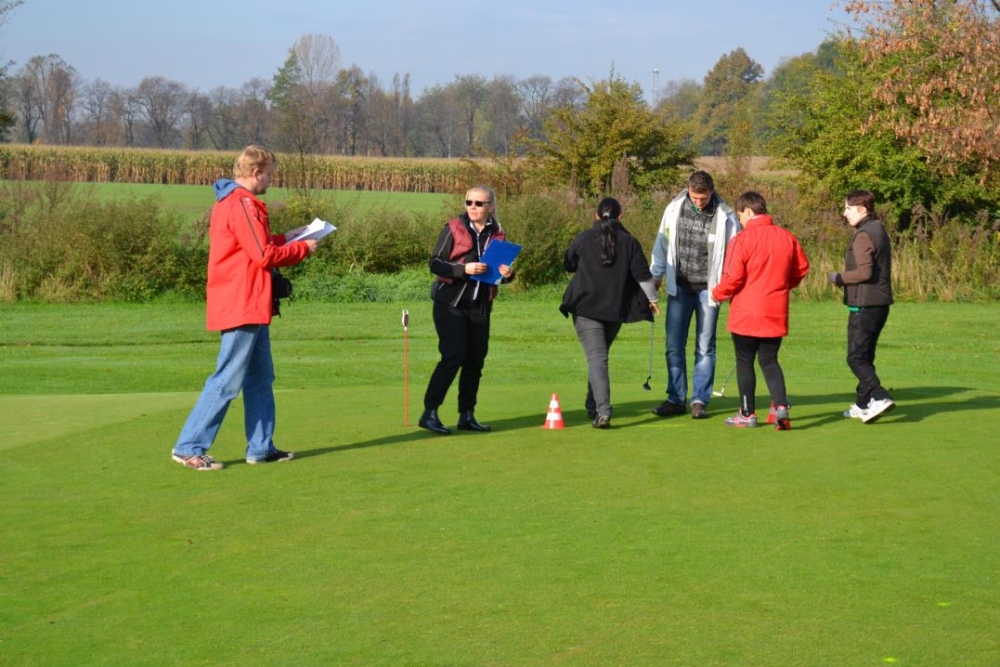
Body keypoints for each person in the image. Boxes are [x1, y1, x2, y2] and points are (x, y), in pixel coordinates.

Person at [171, 145, 319, 471]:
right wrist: (302, 249)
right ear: (256, 172)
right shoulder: (242, 203)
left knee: (261, 377)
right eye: (270, 174)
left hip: (251, 301)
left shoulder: (236, 202)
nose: (272, 180)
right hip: (243, 302)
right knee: (226, 379)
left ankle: (261, 447)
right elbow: (263, 255)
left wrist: (288, 237)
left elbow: (255, 245)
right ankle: (188, 447)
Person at [419, 185, 514, 435]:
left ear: (490, 207)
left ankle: (467, 414)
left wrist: (508, 275)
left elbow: (498, 272)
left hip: (480, 306)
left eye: (479, 203)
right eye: (469, 202)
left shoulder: (499, 234)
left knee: (475, 360)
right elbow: (435, 263)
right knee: (453, 355)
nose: (472, 207)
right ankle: (429, 412)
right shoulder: (453, 228)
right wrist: (464, 269)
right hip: (450, 304)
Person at [711, 191, 810, 429]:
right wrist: (783, 285)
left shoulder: (742, 239)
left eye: (740, 216)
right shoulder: (787, 237)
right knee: (769, 360)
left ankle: (747, 413)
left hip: (746, 312)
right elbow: (801, 269)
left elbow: (733, 277)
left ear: (748, 211)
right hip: (775, 311)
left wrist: (717, 294)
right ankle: (781, 406)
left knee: (745, 361)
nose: (740, 221)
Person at [560, 197, 660, 428]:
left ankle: (602, 411)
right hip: (615, 309)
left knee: (598, 358)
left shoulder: (583, 238)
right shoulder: (630, 242)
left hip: (585, 308)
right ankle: (595, 406)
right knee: (599, 357)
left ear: (596, 215)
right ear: (620, 216)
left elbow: (568, 264)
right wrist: (653, 300)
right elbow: (643, 276)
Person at [650, 170, 741, 420]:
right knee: (673, 345)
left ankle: (699, 400)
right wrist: (656, 276)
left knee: (705, 346)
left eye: (703, 198)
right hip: (679, 286)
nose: (699, 202)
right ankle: (675, 398)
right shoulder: (673, 208)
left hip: (709, 290)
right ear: (688, 190)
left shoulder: (726, 216)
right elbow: (662, 243)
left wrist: (730, 286)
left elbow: (734, 255)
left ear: (712, 191)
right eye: (694, 197)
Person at [828, 189, 895, 424]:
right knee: (865, 357)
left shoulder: (864, 234)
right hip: (879, 304)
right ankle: (862, 404)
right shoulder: (878, 228)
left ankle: (880, 396)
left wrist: (839, 278)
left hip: (865, 304)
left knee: (856, 358)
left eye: (848, 208)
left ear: (862, 209)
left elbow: (864, 272)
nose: (844, 213)